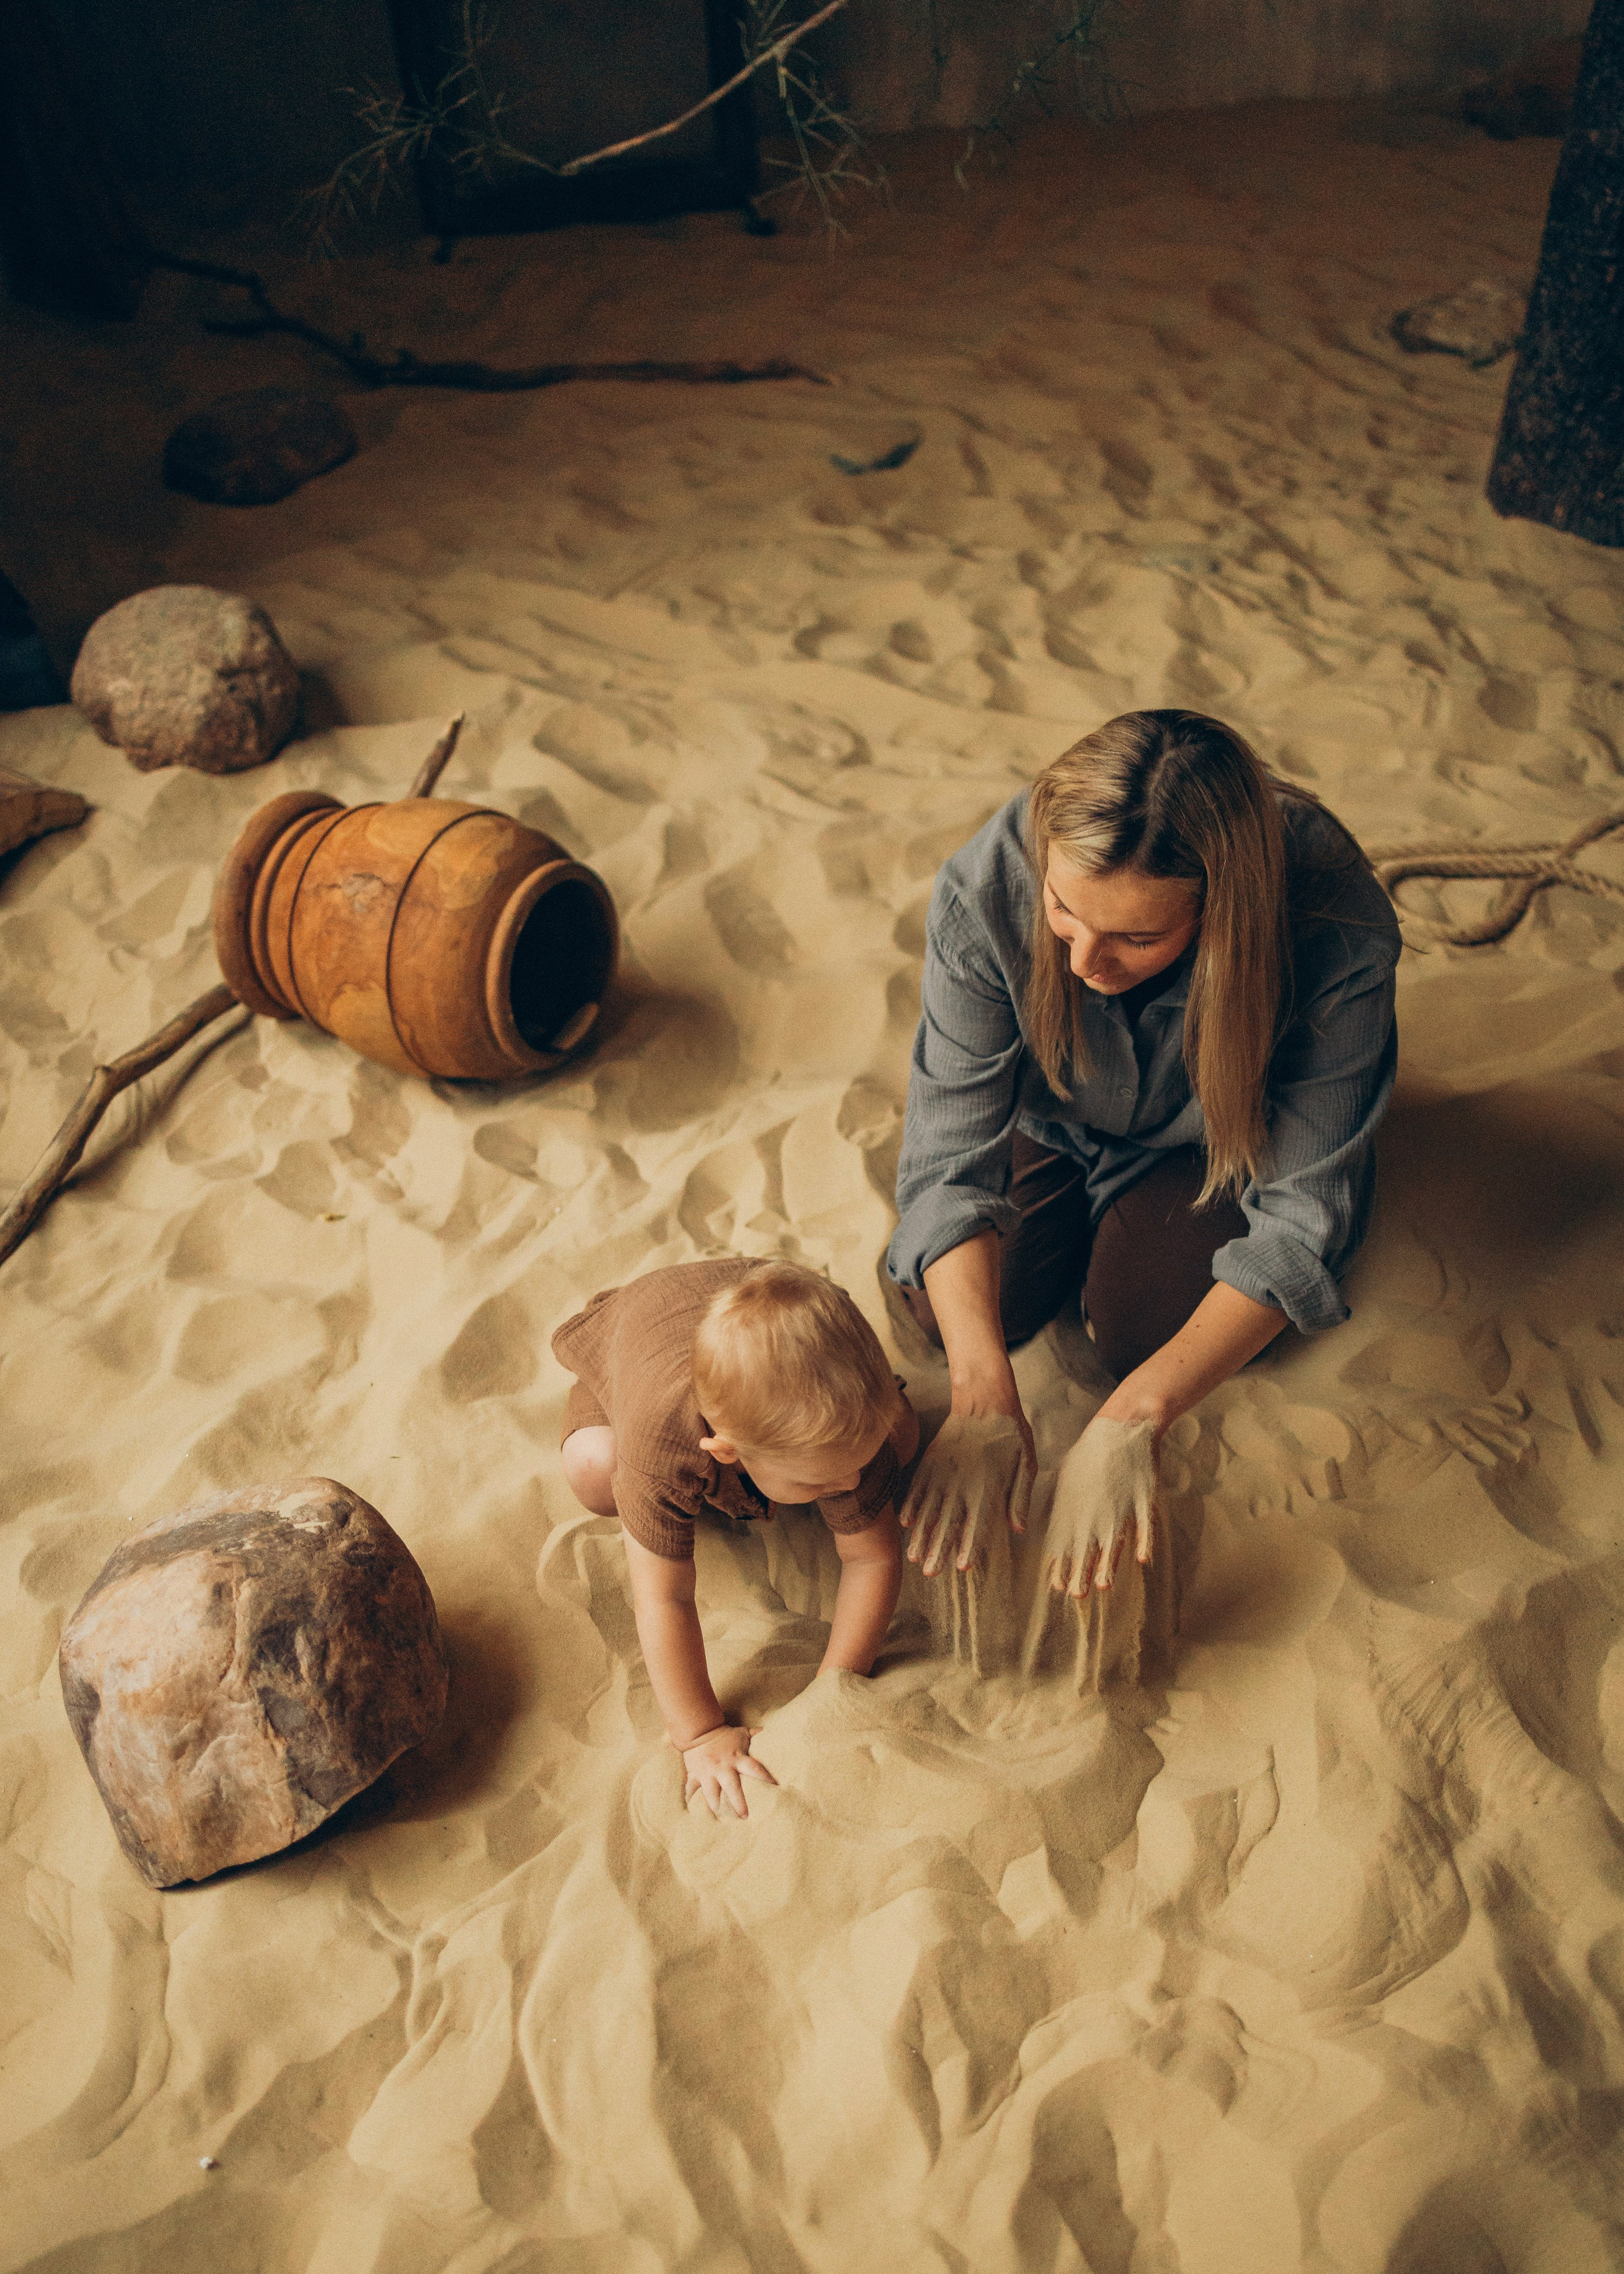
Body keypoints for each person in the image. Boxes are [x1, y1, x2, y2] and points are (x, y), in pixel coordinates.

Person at [887, 708, 1400, 1595]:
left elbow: (1302, 1225)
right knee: (951, 1310)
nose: (1086, 962)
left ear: (1219, 910)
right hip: (1050, 1115)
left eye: (1135, 937)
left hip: (1219, 1141)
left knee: (1143, 1328)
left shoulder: (1336, 924)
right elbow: (946, 1155)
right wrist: (981, 1393)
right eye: (1063, 912)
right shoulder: (989, 884)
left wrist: (1133, 1417)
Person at [554, 1258, 919, 1819]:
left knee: (903, 1439)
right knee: (594, 1471)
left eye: (853, 1465)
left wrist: (836, 1680)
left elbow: (873, 1557)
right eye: (820, 1480)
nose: (847, 1485)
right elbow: (663, 1597)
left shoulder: (845, 1436)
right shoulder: (661, 1440)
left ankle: (839, 1447)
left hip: (752, 1308)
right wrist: (700, 1735)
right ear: (726, 1451)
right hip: (637, 1334)